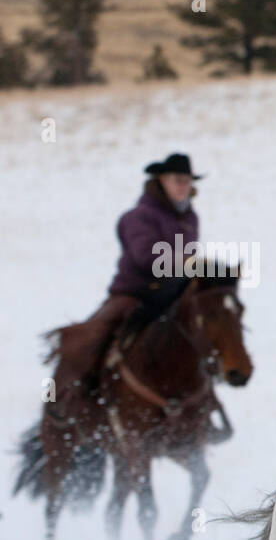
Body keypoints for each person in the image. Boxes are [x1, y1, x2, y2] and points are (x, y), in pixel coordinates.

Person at [46, 153, 204, 422]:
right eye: (177, 180)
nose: (182, 186)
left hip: (172, 295)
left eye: (186, 181)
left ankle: (205, 402)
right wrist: (190, 263)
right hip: (134, 293)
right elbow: (146, 256)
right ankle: (70, 397)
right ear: (161, 181)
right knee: (94, 338)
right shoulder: (138, 217)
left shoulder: (190, 218)